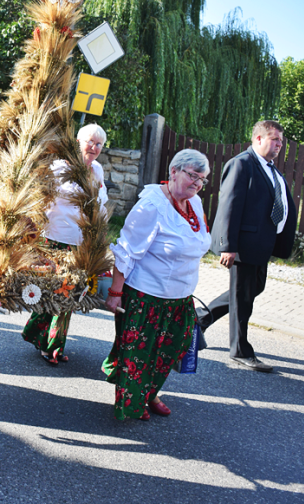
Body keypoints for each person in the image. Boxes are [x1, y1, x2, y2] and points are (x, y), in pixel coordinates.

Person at [102, 149, 211, 421]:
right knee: (141, 353)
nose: (197, 183)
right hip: (147, 295)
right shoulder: (151, 205)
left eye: (202, 179)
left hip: (181, 296)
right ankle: (133, 401)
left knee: (172, 347)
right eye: (192, 176)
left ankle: (148, 391)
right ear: (173, 172)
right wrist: (116, 293)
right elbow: (126, 251)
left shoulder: (194, 203)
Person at [196, 121, 297, 373]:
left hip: (261, 244)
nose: (279, 145)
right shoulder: (242, 164)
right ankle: (240, 350)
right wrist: (227, 246)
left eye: (281, 142)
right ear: (259, 138)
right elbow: (230, 206)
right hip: (243, 245)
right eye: (275, 140)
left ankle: (200, 318)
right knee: (243, 298)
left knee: (252, 289)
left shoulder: (271, 169)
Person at [21, 123, 109, 364]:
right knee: (55, 291)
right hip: (56, 239)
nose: (94, 147)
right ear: (78, 142)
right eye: (90, 141)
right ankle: (41, 337)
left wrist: (100, 240)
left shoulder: (98, 171)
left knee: (70, 295)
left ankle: (52, 345)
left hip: (82, 244)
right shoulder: (60, 168)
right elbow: (40, 198)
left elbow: (101, 206)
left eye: (99, 144)